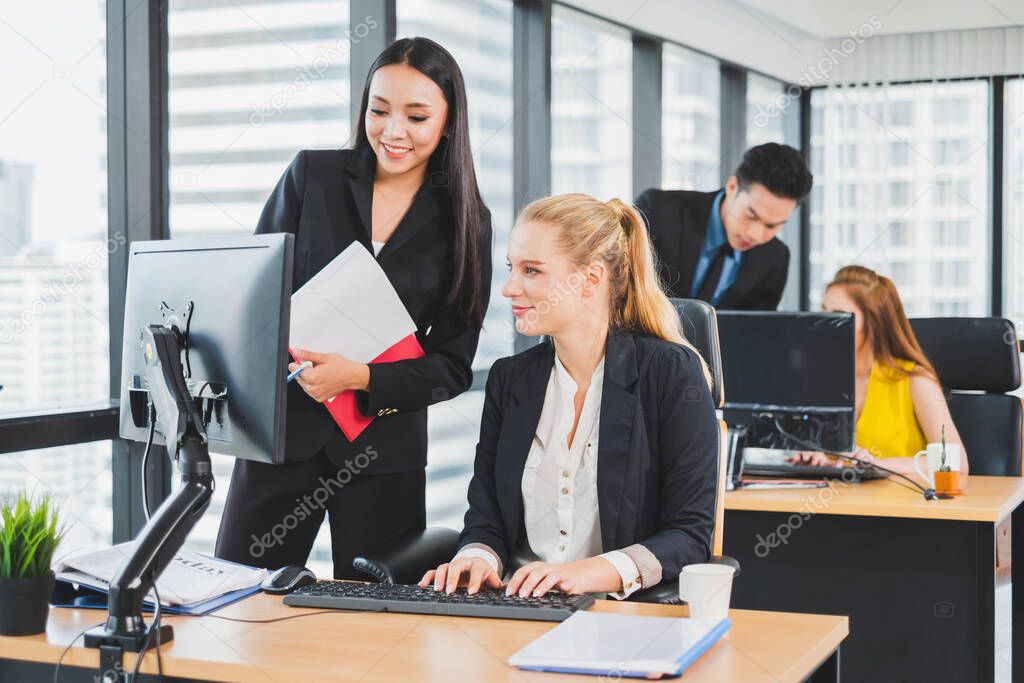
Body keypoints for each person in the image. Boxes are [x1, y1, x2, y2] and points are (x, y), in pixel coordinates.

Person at [215, 37, 492, 577]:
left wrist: (361, 377)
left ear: (450, 122)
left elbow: (453, 367)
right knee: (240, 604)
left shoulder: (467, 222)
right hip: (285, 438)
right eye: (379, 110)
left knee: (371, 622)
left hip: (382, 452)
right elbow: (251, 297)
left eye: (416, 116)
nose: (393, 132)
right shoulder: (312, 177)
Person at [418, 193, 720, 599]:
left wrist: (587, 573)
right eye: (512, 268)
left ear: (591, 279)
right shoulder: (511, 381)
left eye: (532, 271)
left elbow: (689, 535)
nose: (509, 288)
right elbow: (487, 517)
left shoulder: (669, 373)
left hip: (617, 615)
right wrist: (479, 556)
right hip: (515, 609)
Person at [792, 265, 969, 478]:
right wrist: (811, 456)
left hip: (901, 507)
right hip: (835, 504)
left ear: (874, 322)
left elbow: (955, 463)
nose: (825, 324)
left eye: (839, 315)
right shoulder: (821, 378)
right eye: (824, 312)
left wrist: (878, 465)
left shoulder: (915, 380)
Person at [635, 142, 812, 310]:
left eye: (772, 226)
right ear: (732, 186)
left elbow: (756, 334)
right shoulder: (658, 211)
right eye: (751, 215)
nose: (756, 235)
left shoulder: (775, 259)